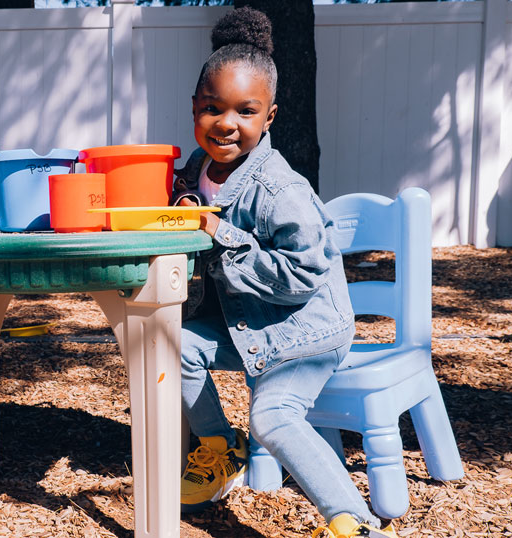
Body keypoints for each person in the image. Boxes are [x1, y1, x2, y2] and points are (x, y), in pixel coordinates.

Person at [172, 8, 400, 538]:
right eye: (213, 109)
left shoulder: (280, 189)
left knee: (272, 418)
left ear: (268, 117)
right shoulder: (196, 168)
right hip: (248, 326)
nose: (226, 123)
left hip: (304, 332)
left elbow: (303, 273)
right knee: (169, 341)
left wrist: (221, 236)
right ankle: (217, 448)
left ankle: (357, 523)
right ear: (194, 109)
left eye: (244, 112)